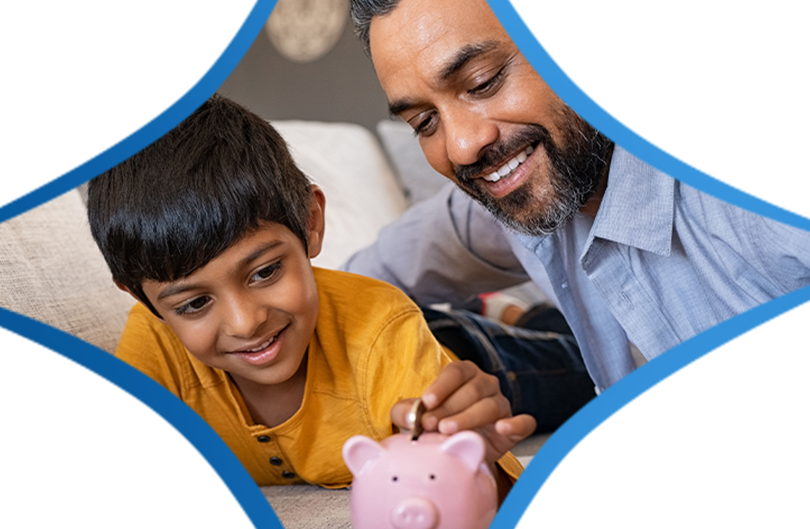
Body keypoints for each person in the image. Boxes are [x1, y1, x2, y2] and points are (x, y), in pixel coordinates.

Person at [345, 0, 810, 391]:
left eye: (483, 82)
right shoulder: (512, 193)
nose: (462, 145)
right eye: (424, 123)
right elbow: (353, 287)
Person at [86, 95, 532, 501]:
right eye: (194, 305)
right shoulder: (154, 351)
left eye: (264, 272)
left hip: (470, 356)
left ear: (311, 220)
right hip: (385, 328)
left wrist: (472, 456)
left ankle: (512, 315)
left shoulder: (383, 330)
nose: (245, 323)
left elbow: (472, 474)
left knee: (555, 358)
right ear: (144, 301)